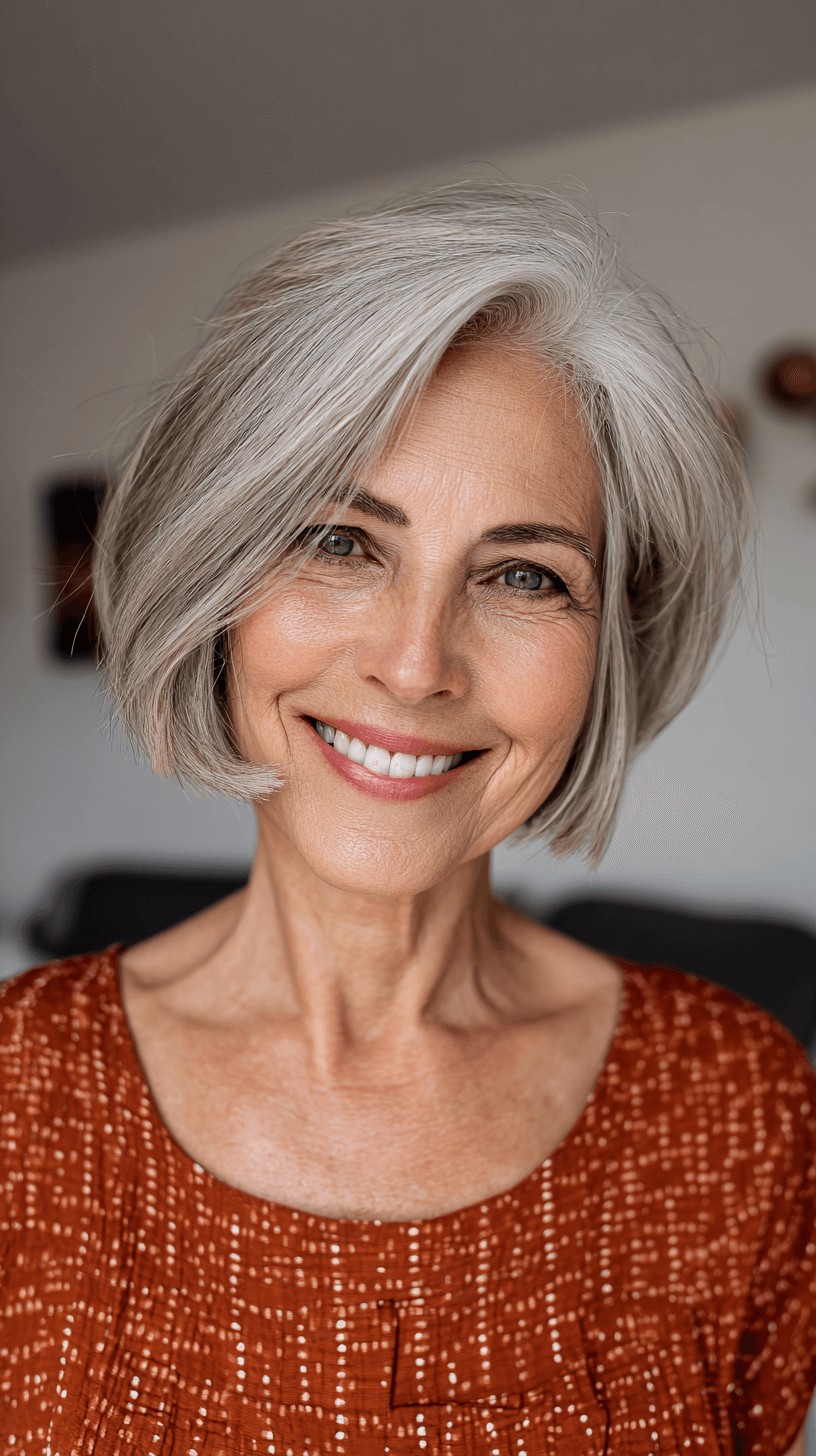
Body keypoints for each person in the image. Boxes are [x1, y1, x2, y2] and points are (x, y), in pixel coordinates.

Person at [1, 179, 813, 1455]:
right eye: (340, 541)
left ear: (614, 645)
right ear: (215, 576)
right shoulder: (14, 1098)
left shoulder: (738, 1109)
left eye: (526, 573)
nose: (417, 661)